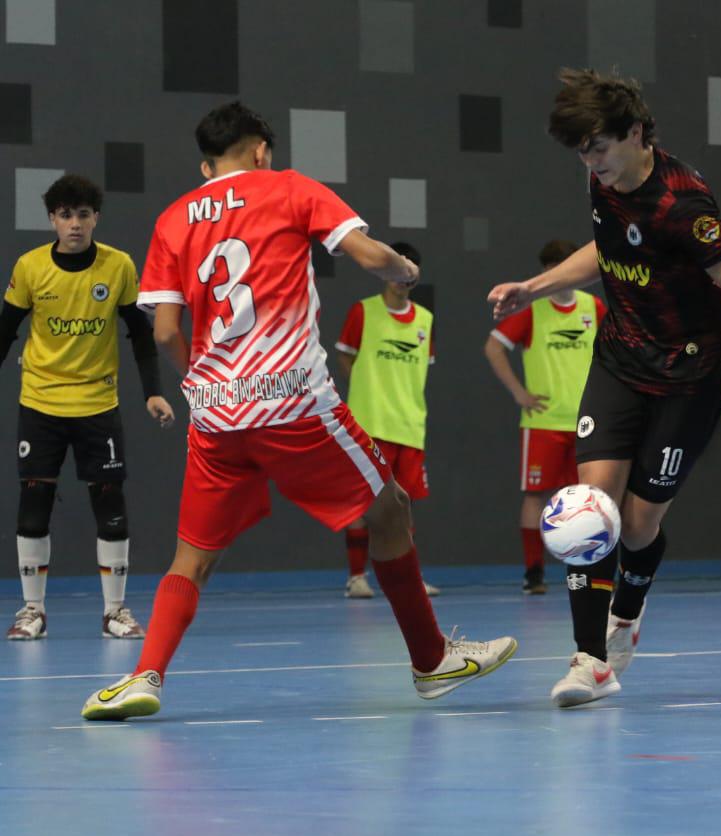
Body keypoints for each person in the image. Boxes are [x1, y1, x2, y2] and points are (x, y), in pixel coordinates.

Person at [81, 102, 515, 721]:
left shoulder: (175, 217)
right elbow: (368, 257)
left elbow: (166, 330)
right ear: (260, 150)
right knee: (389, 507)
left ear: (209, 160)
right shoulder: (290, 189)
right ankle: (431, 659)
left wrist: (202, 382)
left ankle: (144, 675)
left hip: (215, 415)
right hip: (291, 404)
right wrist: (405, 266)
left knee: (193, 555)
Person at [489, 69, 721, 708]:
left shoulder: (684, 206)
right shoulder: (604, 180)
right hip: (619, 358)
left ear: (636, 133)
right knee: (593, 507)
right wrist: (532, 289)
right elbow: (603, 249)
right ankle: (590, 661)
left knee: (639, 528)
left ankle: (627, 614)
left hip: (691, 377)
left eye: (599, 149)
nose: (591, 163)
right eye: (583, 153)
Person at [1, 174, 175, 641]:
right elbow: (5, 331)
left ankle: (115, 612)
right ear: (52, 220)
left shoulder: (118, 267)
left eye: (82, 214)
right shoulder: (31, 267)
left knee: (110, 504)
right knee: (34, 504)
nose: (74, 224)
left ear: (95, 217)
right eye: (65, 215)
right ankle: (31, 611)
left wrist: (153, 391)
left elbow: (139, 333)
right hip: (41, 403)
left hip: (98, 405)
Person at [484, 239, 606, 594]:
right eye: (551, 268)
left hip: (586, 421)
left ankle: (580, 568)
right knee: (536, 495)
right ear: (544, 272)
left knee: (583, 498)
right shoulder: (532, 308)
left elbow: (612, 348)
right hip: (543, 423)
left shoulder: (592, 307)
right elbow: (493, 347)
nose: (560, 275)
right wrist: (519, 393)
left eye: (566, 266)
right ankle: (534, 573)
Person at [334, 241, 441, 599]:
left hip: (410, 426)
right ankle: (356, 577)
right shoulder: (363, 312)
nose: (401, 278)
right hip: (368, 425)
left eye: (408, 270)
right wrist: (369, 391)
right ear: (384, 272)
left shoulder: (425, 321)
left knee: (403, 506)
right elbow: (345, 359)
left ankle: (409, 580)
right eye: (395, 269)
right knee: (362, 503)